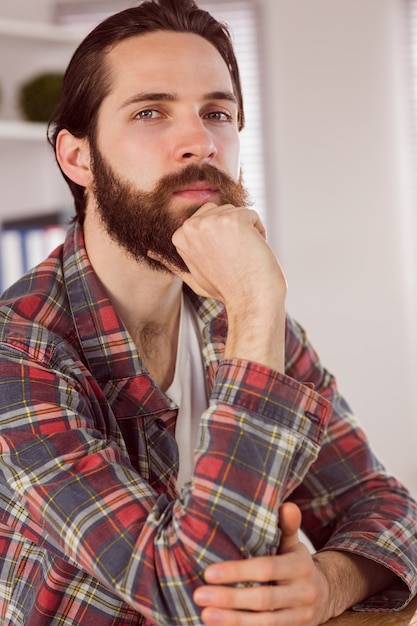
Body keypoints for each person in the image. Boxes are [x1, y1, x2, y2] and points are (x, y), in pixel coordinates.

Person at [0, 0, 416, 624]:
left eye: (217, 113)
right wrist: (255, 305)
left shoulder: (244, 319)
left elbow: (385, 507)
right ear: (77, 158)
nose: (200, 142)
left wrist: (326, 583)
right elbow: (189, 593)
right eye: (149, 112)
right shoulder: (18, 352)